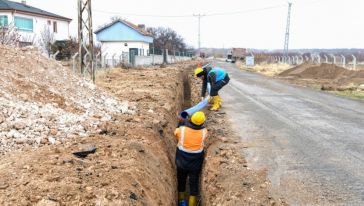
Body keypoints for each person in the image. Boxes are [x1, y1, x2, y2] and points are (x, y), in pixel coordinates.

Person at [174, 111, 208, 206]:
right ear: (202, 122)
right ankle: (192, 204)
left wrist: (181, 122)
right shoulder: (204, 132)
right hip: (195, 162)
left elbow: (176, 133)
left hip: (181, 161)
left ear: (191, 119)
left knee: (181, 180)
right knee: (194, 182)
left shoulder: (182, 130)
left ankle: (181, 201)